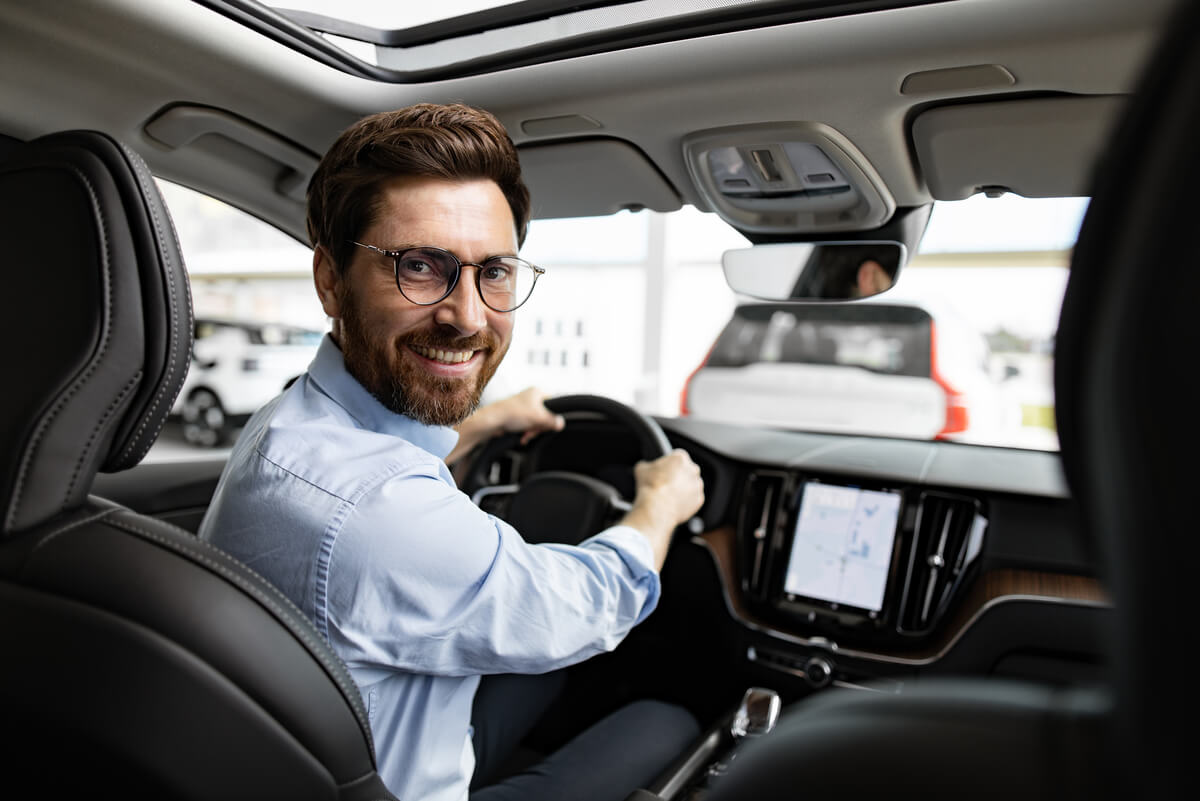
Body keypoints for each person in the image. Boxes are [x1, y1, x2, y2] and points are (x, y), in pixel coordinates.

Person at [197, 103, 705, 801]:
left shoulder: (290, 422)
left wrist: (481, 423)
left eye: (493, 271)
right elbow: (586, 604)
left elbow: (373, 468)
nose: (467, 315)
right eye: (419, 267)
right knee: (666, 718)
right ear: (328, 280)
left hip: (355, 748)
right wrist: (660, 505)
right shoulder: (378, 513)